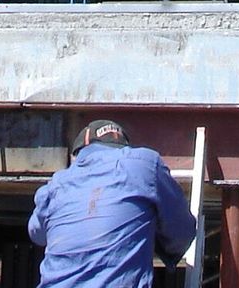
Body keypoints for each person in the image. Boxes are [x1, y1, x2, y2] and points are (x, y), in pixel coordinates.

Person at [29, 119, 196, 288]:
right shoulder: (144, 164)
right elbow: (181, 232)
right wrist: (160, 244)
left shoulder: (55, 185)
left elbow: (37, 234)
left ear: (77, 155)